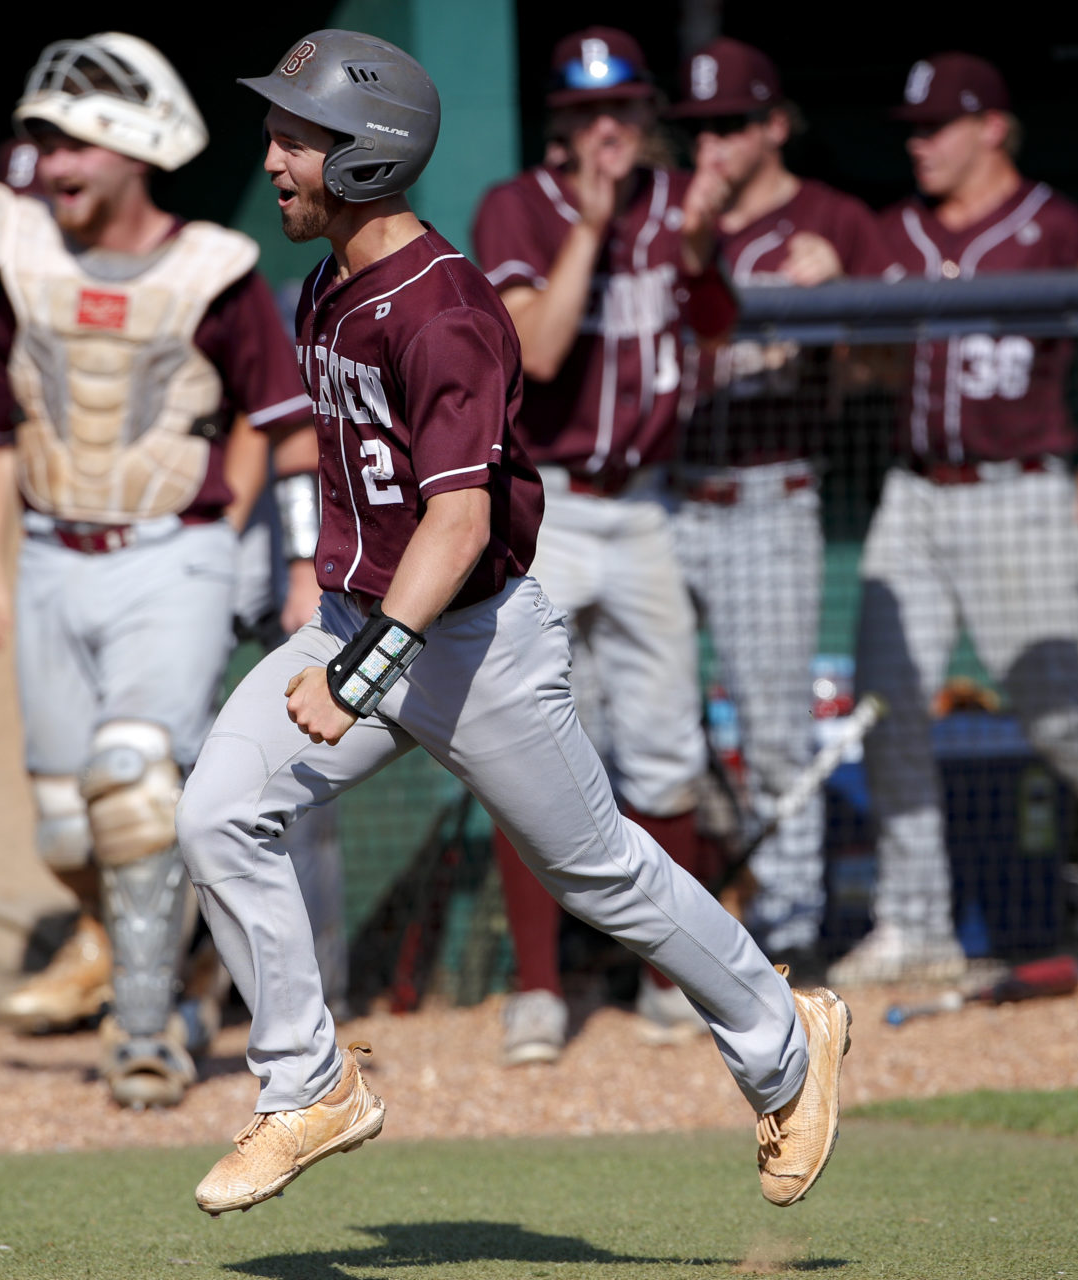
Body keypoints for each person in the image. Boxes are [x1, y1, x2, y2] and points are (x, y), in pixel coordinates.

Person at [178, 28, 848, 1218]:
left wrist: (359, 667)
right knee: (218, 811)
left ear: (370, 154)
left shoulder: (444, 306)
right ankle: (309, 1084)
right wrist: (331, 612)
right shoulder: (328, 283)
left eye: (297, 137)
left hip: (470, 644)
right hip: (360, 619)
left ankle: (786, 1040)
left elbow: (459, 521)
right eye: (274, 131)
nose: (272, 158)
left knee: (601, 869)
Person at [0, 10, 318, 1107]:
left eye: (76, 143)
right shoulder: (19, 251)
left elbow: (286, 428)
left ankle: (144, 1035)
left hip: (175, 552)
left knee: (133, 781)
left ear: (138, 147)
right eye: (45, 141)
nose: (53, 162)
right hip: (54, 552)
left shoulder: (215, 269)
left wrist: (300, 563)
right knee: (68, 822)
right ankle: (171, 958)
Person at [834, 52, 1078, 985]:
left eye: (936, 128)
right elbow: (863, 367)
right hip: (914, 490)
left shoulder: (1055, 225)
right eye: (911, 131)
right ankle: (915, 921)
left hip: (1017, 490)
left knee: (1057, 719)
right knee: (888, 706)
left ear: (991, 127)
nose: (919, 146)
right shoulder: (895, 231)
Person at [468, 26, 739, 1062]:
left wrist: (702, 247)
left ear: (646, 113)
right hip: (552, 501)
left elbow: (715, 325)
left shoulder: (676, 205)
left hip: (648, 503)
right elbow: (536, 351)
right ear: (559, 120)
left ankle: (669, 977)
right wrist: (589, 222)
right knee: (530, 744)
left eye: (619, 109)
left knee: (666, 744)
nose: (605, 130)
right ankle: (539, 988)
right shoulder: (519, 205)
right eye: (585, 113)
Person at [667, 38, 885, 977]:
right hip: (666, 494)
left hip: (770, 491)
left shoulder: (834, 219)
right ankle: (681, 905)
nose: (710, 141)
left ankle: (790, 931)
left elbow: (892, 369)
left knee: (773, 730)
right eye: (698, 126)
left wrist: (840, 305)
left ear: (775, 126)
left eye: (730, 123)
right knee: (629, 717)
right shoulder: (665, 214)